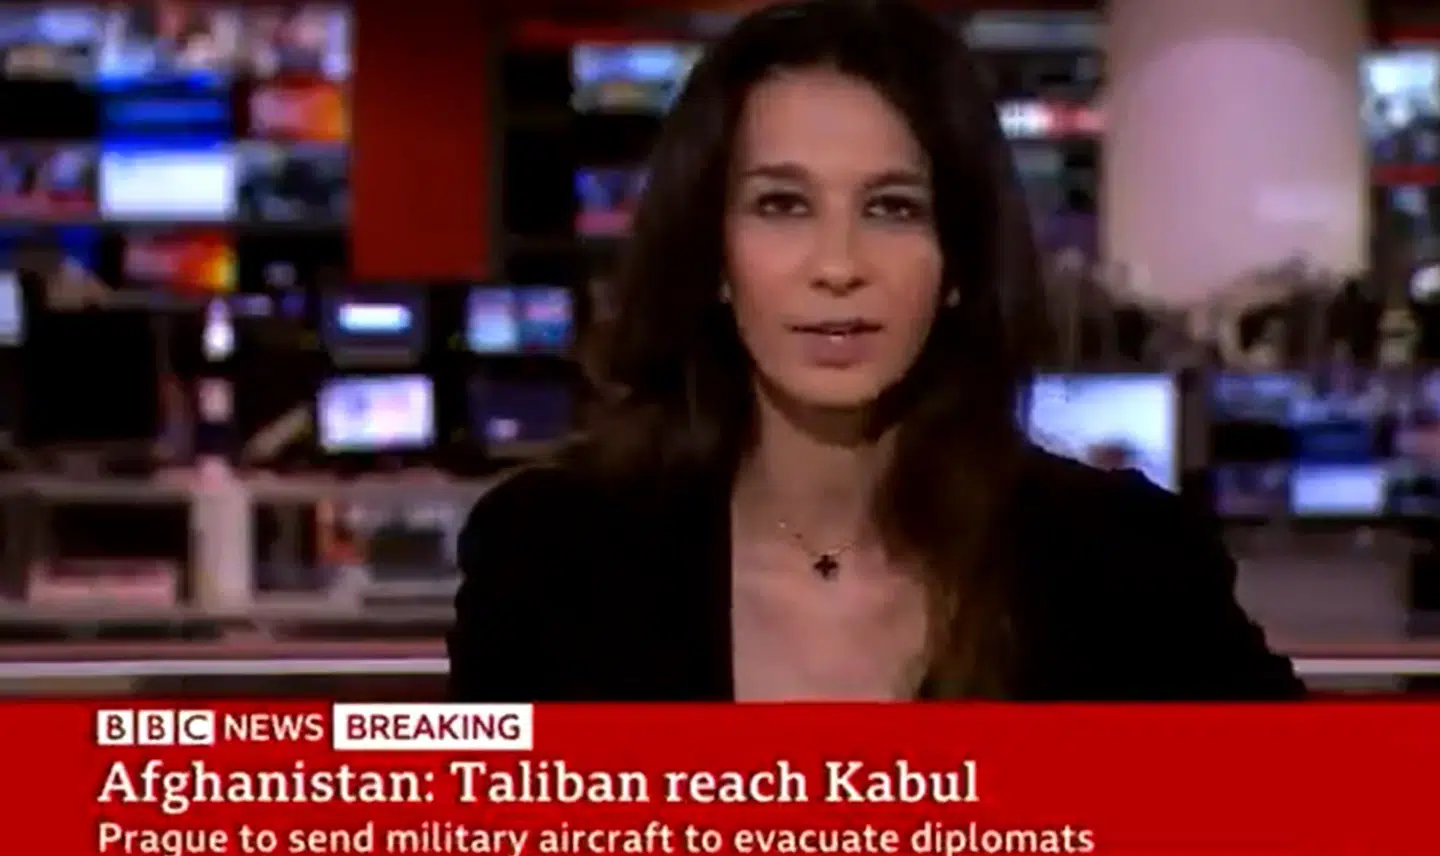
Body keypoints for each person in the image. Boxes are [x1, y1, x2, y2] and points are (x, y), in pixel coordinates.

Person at [449, 0, 1304, 701]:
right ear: (713, 253)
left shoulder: (1127, 564)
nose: (838, 267)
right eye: (782, 206)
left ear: (959, 261)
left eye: (893, 209)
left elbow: (1321, 804)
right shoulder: (551, 555)